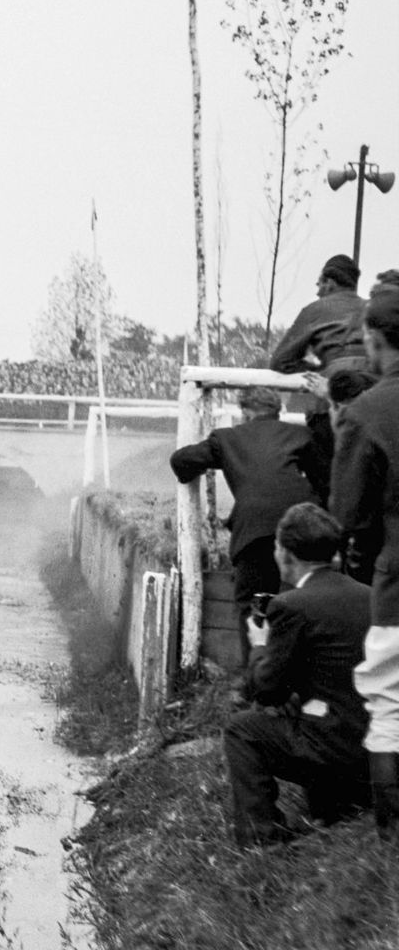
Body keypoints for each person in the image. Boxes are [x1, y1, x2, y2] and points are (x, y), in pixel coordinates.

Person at [222, 503, 372, 846]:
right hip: (380, 750)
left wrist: (259, 645)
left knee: (242, 730)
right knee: (314, 714)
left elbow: (264, 689)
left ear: (286, 555)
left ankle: (262, 840)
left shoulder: (291, 606)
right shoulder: (370, 596)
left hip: (339, 750)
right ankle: (335, 812)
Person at [170, 387, 324, 668]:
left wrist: (196, 471)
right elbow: (323, 481)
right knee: (308, 600)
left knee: (251, 604)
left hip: (256, 529)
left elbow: (181, 460)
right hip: (304, 525)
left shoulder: (227, 438)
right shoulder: (301, 435)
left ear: (245, 413)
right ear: (279, 411)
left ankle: (255, 678)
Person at [330, 287, 399, 840]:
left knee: (390, 712)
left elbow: (348, 515)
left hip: (397, 585)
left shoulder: (365, 412)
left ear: (375, 343)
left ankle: (389, 845)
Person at [270, 253, 367, 467]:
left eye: (318, 284)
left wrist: (318, 368)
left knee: (326, 479)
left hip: (329, 404)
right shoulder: (373, 309)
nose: (317, 291)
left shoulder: (314, 310)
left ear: (329, 283)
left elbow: (280, 361)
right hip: (374, 403)